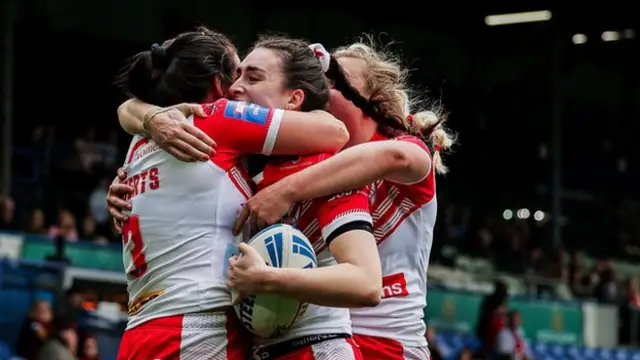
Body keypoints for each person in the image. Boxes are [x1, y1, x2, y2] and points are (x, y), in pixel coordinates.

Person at [113, 29, 349, 360]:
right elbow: (334, 132)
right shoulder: (216, 117)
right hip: (198, 328)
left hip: (141, 330)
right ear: (215, 82)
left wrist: (138, 112)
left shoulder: (138, 145)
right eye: (236, 72)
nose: (238, 86)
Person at [232, 40, 456, 360]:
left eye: (334, 81)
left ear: (372, 100)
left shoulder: (405, 149)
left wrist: (286, 190)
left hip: (388, 346)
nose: (320, 87)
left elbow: (394, 157)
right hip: (315, 341)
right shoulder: (299, 162)